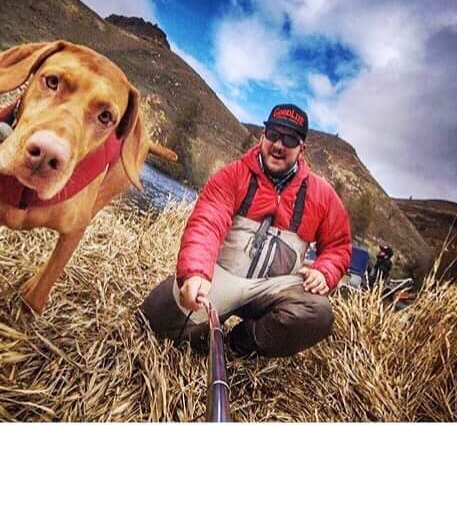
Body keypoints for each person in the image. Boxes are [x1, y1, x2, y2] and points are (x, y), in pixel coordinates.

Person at [141, 103, 352, 358]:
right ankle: (206, 318)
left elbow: (338, 246)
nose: (278, 145)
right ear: (263, 136)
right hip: (222, 276)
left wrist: (325, 270)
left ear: (301, 149)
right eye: (273, 134)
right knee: (152, 321)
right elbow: (207, 223)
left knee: (317, 313)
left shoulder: (323, 196)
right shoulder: (232, 175)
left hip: (274, 288)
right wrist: (196, 272)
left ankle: (241, 342)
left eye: (289, 139)